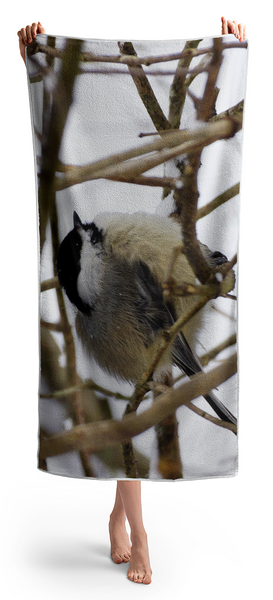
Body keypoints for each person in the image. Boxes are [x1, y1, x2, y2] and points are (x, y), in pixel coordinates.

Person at [17, 17, 246, 585]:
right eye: (90, 239)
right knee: (132, 439)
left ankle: (121, 518)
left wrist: (234, 50)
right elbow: (163, 327)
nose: (93, 231)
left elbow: (162, 250)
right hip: (160, 340)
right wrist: (34, 61)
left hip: (167, 308)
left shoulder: (115, 260)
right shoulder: (112, 278)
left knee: (130, 440)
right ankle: (138, 533)